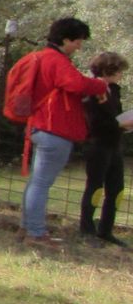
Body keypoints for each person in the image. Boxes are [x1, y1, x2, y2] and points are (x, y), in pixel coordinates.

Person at [15, 17, 107, 248]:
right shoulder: (56, 60)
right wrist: (101, 85)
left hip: (39, 125)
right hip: (54, 128)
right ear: (65, 40)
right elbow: (76, 84)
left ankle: (27, 227)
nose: (79, 46)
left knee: (36, 182)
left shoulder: (42, 57)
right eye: (78, 41)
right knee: (41, 183)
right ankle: (36, 233)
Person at [79, 52, 127, 247]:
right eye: (119, 71)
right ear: (108, 70)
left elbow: (116, 115)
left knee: (117, 189)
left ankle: (105, 230)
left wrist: (123, 125)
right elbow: (95, 121)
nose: (121, 75)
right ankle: (86, 230)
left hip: (114, 144)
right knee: (95, 187)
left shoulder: (113, 90)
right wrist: (120, 125)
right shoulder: (92, 90)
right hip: (98, 144)